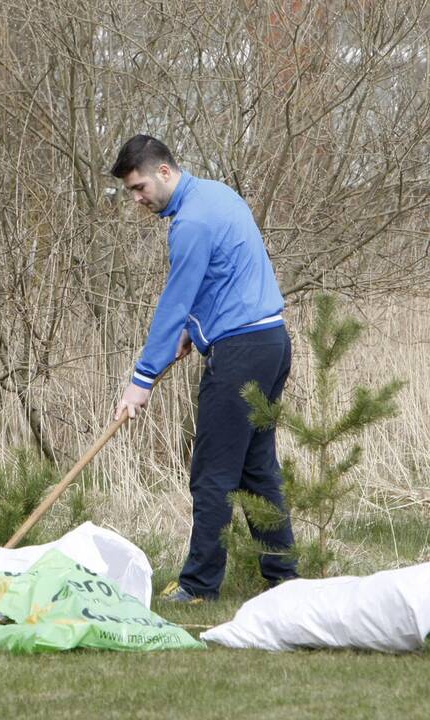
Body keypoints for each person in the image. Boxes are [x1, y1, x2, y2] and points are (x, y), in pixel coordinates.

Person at [109, 134, 298, 603]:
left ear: (165, 172)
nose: (137, 200)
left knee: (212, 472)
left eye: (139, 188)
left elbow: (174, 301)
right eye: (131, 192)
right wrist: (196, 330)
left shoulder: (189, 223)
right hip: (272, 341)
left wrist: (141, 380)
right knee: (257, 469)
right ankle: (284, 578)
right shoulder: (218, 194)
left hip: (240, 354)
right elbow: (227, 277)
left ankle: (198, 586)